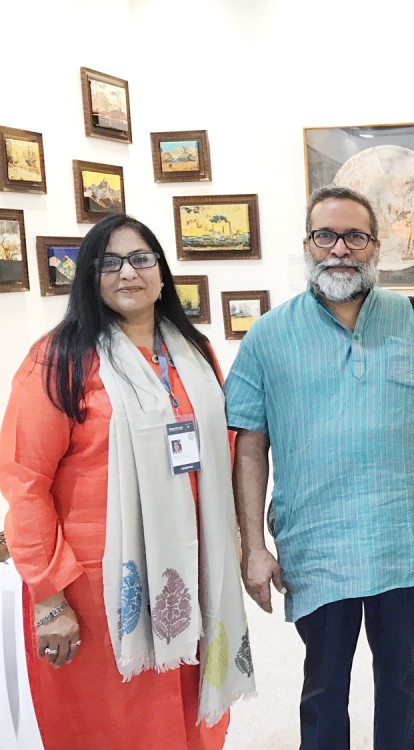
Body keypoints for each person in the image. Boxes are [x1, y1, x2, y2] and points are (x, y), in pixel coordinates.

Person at [0, 214, 253, 750]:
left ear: (162, 273)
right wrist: (49, 597)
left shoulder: (195, 353)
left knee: (191, 723)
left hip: (194, 568)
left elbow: (224, 453)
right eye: (108, 262)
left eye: (141, 259)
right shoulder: (60, 360)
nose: (127, 273)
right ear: (88, 276)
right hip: (100, 590)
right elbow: (24, 483)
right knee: (113, 728)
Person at [225, 185, 414, 750]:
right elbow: (249, 444)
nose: (340, 250)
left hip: (404, 537)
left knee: (400, 679)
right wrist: (252, 546)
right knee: (324, 684)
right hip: (318, 542)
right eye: (325, 235)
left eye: (355, 236)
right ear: (307, 244)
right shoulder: (268, 335)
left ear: (376, 247)